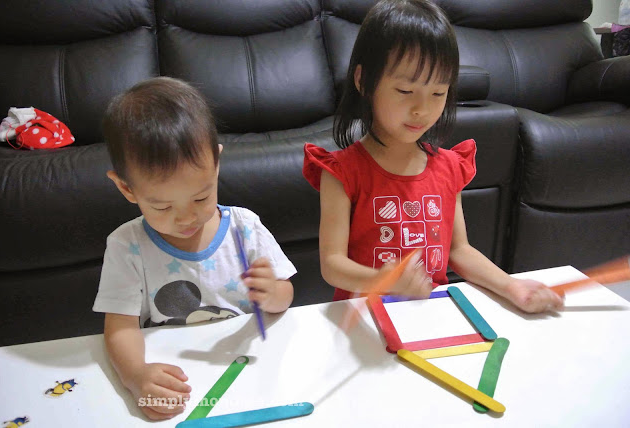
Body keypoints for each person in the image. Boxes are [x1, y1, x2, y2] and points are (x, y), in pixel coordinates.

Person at [303, 0, 563, 313]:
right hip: (363, 317)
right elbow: (332, 264)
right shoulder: (342, 171)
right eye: (405, 91)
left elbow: (459, 250)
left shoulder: (449, 167)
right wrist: (381, 280)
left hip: (430, 314)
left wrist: (512, 286)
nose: (422, 109)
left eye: (438, 93)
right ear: (364, 81)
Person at [93, 77, 296, 420]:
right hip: (181, 377)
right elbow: (120, 327)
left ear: (216, 163)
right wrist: (135, 375)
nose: (187, 217)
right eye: (162, 206)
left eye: (201, 197)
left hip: (248, 368)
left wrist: (272, 292)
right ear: (127, 188)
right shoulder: (127, 245)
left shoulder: (244, 227)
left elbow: (285, 298)